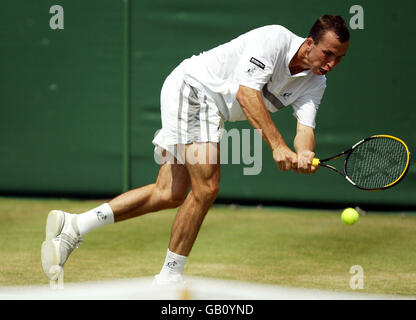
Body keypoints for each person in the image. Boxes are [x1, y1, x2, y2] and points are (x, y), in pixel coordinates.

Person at [41, 14, 350, 284]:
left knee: (170, 193)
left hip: (205, 104)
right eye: (328, 54)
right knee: (207, 188)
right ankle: (169, 279)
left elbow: (305, 130)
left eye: (338, 59)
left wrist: (305, 152)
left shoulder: (315, 83)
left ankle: (75, 225)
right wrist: (278, 146)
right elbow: (246, 94)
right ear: (309, 43)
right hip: (194, 89)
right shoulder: (274, 39)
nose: (331, 64)